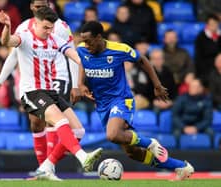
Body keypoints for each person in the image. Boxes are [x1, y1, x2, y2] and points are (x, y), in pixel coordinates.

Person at [0, 7, 102, 181]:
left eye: (51, 28)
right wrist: (8, 26)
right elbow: (7, 41)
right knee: (60, 121)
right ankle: (83, 157)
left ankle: (46, 167)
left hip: (50, 92)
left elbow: (75, 57)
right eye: (45, 27)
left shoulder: (55, 39)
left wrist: (91, 63)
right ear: (36, 23)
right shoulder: (24, 37)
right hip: (31, 92)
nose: (49, 31)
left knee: (78, 130)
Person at [77, 21, 194, 180]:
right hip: (102, 104)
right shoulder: (82, 49)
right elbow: (82, 62)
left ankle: (149, 142)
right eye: (84, 41)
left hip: (121, 99)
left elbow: (143, 60)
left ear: (99, 37)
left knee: (112, 135)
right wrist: (80, 83)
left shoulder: (119, 49)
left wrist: (157, 85)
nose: (86, 44)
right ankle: (181, 167)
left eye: (89, 41)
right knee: (133, 153)